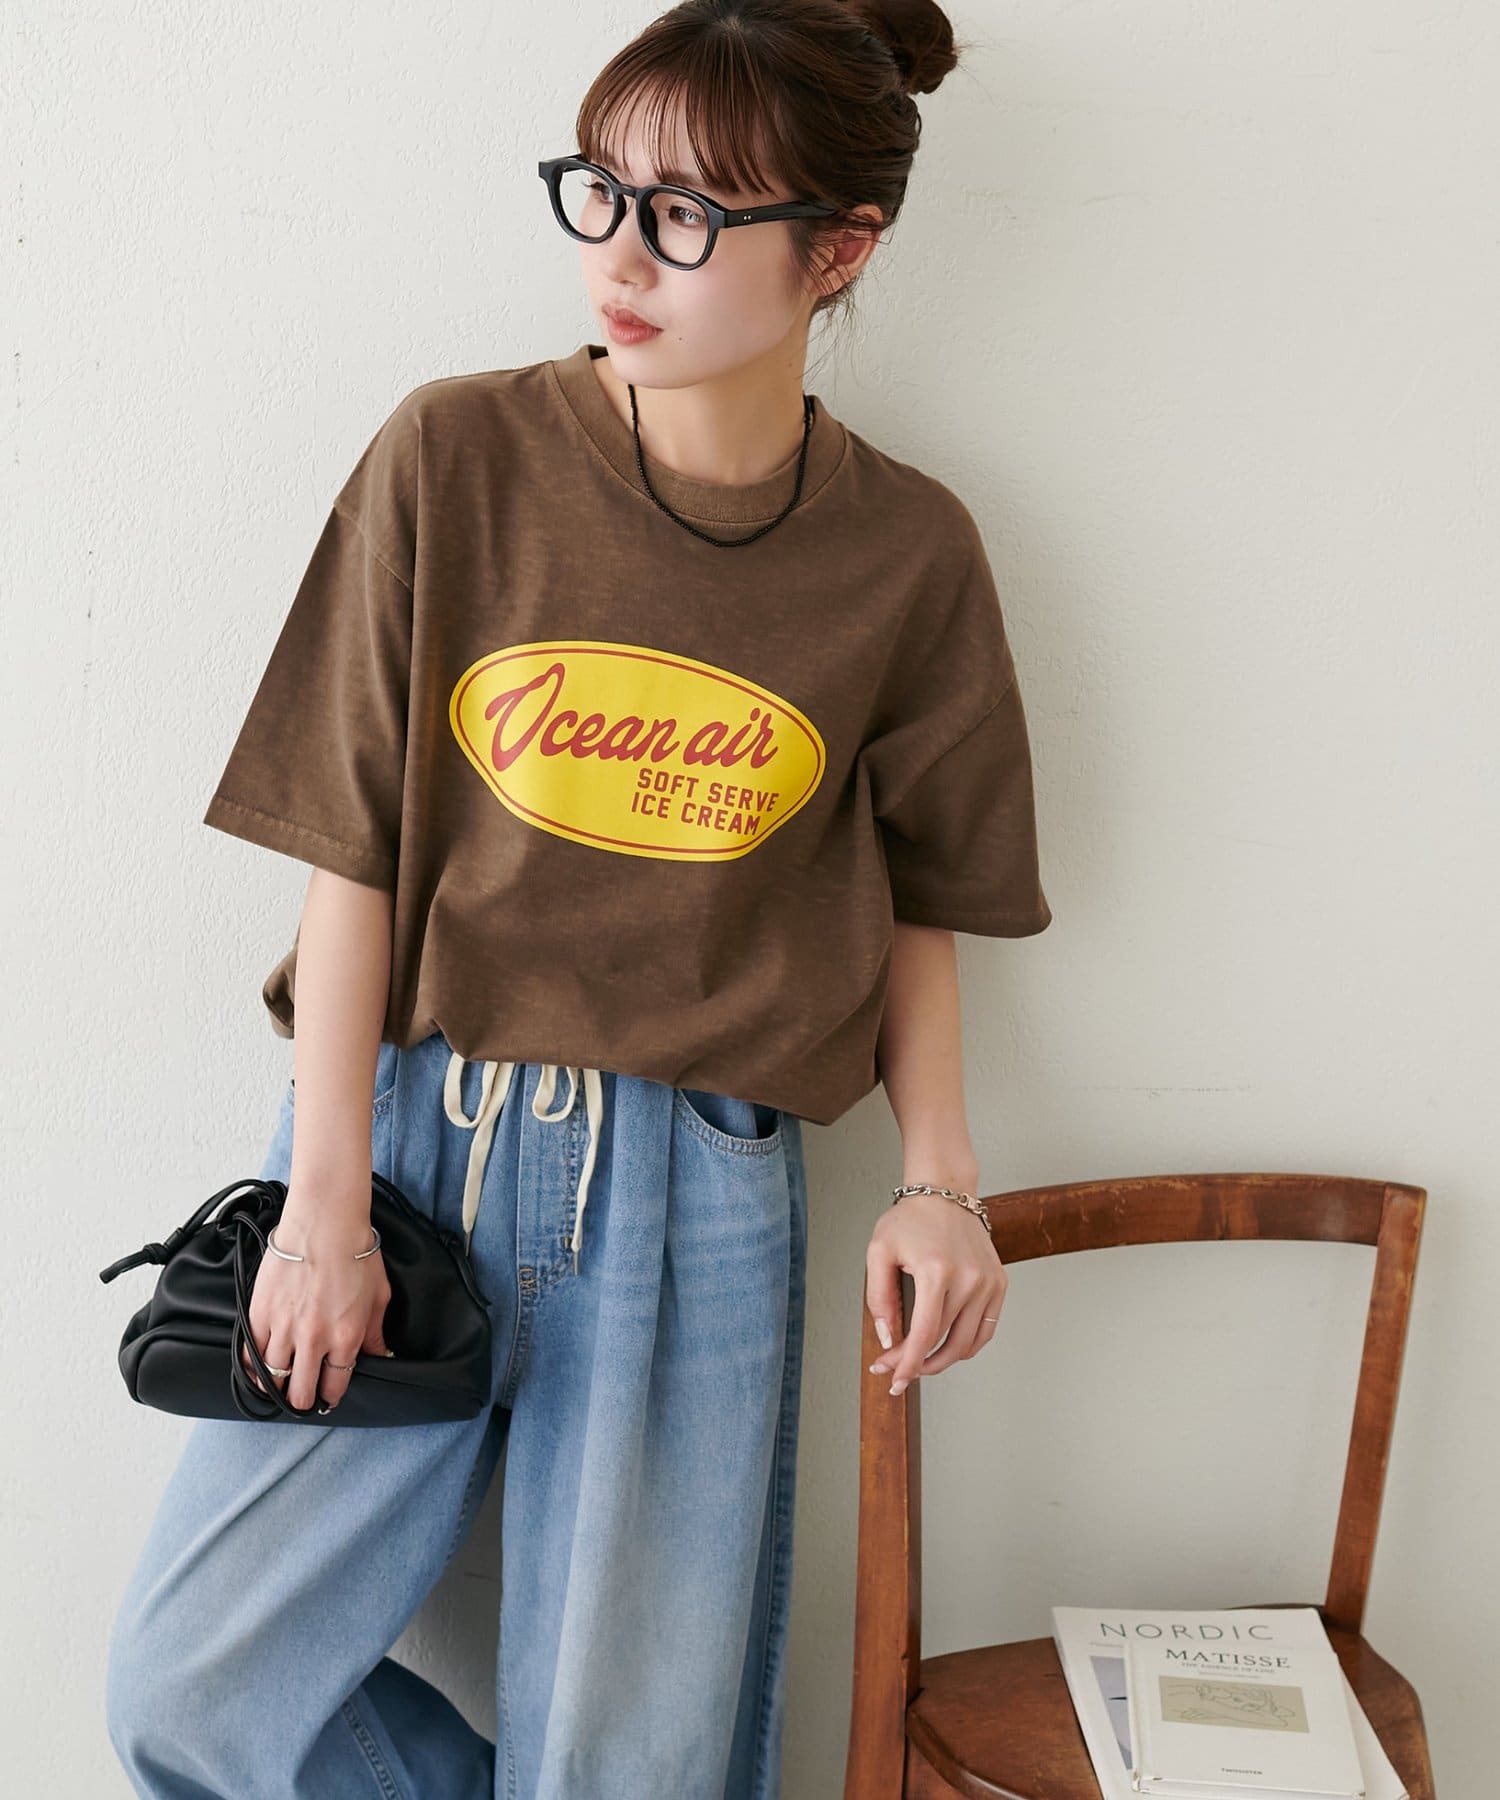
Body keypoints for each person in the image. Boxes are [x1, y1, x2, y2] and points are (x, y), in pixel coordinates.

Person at [104, 0, 1053, 1794]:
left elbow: (922, 897)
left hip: (697, 1190)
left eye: (688, 215)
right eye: (601, 191)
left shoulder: (908, 551)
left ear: (841, 248)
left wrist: (942, 1183)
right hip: (417, 1147)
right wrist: (324, 1208)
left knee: (631, 1763)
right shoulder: (456, 456)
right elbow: (350, 851)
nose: (621, 256)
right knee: (192, 1698)